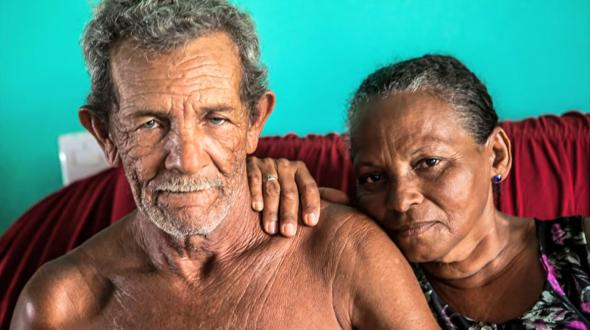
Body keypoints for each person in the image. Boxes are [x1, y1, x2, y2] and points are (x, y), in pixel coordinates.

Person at [10, 1, 439, 329]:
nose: (187, 160)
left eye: (215, 119)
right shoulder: (58, 306)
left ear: (255, 121)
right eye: (150, 124)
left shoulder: (349, 255)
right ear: (105, 134)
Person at [248, 55, 590, 329]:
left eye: (429, 162)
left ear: (497, 156)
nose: (400, 200)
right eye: (374, 178)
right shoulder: (362, 269)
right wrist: (266, 182)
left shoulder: (579, 250)